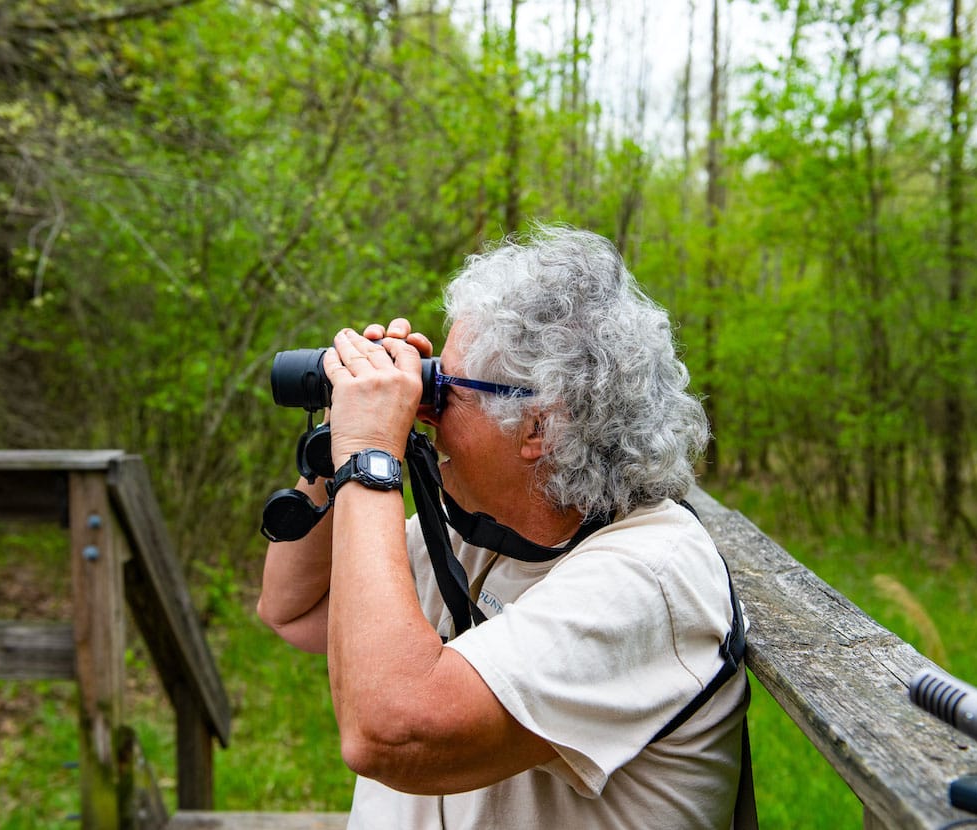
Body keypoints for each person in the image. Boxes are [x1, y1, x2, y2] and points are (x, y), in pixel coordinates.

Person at [257, 225, 749, 829]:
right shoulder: (485, 530)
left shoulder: (646, 577)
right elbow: (295, 608)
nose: (425, 410)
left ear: (540, 426)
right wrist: (342, 440)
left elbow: (388, 730)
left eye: (445, 388)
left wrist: (370, 456)